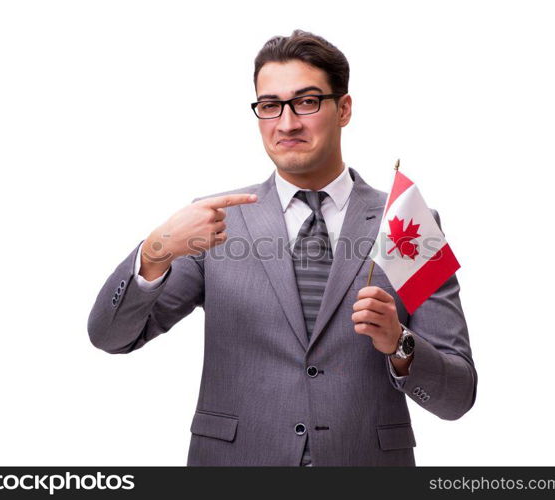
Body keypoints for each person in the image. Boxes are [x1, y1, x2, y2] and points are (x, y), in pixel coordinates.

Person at [87, 29, 477, 466]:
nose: (287, 123)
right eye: (270, 106)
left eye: (306, 102)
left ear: (343, 108)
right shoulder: (216, 222)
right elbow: (110, 337)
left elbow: (457, 396)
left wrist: (399, 343)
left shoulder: (404, 223)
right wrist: (156, 250)